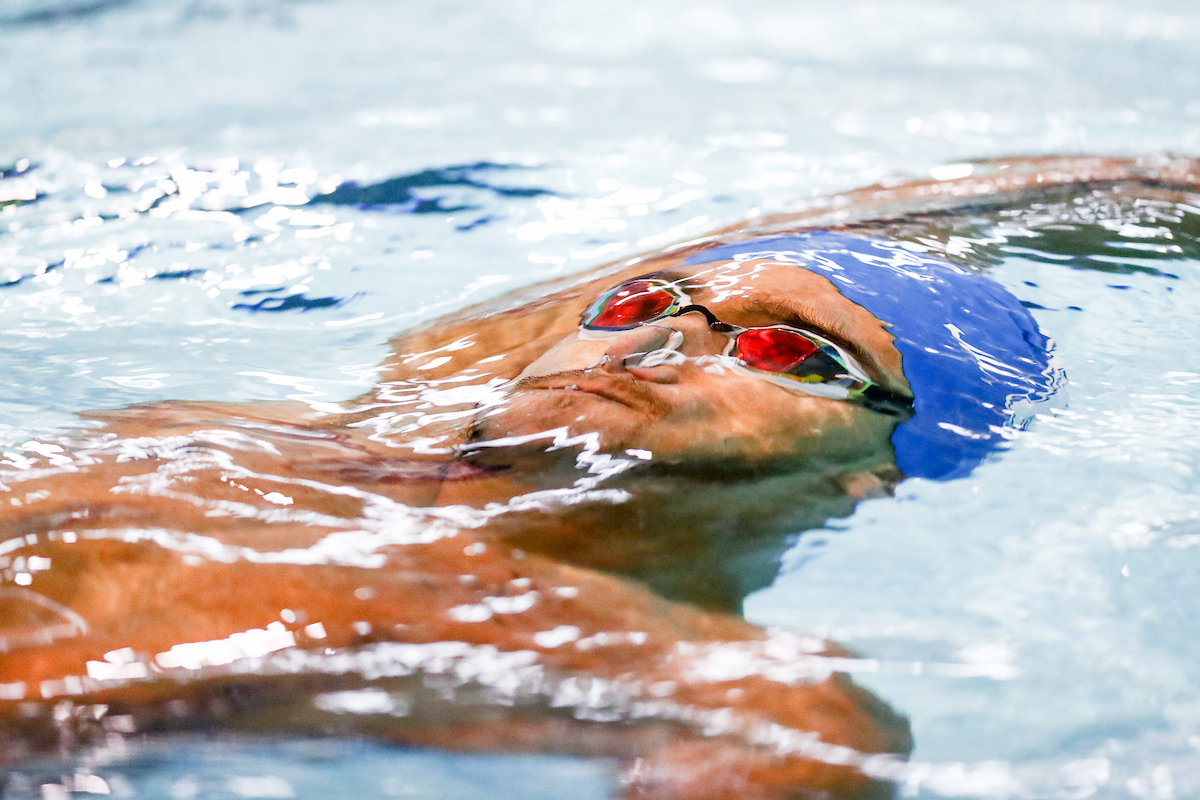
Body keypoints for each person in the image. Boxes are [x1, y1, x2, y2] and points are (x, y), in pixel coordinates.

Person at [1, 155, 1194, 799]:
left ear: (873, 471)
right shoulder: (359, 422)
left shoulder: (739, 696)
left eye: (784, 351)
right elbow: (755, 244)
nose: (662, 340)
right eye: (639, 308)